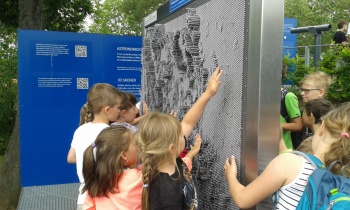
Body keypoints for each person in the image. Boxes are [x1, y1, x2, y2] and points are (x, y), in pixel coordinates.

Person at [224, 102, 350, 209]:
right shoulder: (340, 182)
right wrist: (280, 142)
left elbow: (242, 199)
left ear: (322, 128)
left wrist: (230, 176)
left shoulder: (291, 164)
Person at [137, 66, 223, 210]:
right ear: (171, 148)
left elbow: (188, 122)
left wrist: (207, 94)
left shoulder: (167, 160)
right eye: (180, 133)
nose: (184, 132)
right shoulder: (166, 194)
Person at [82, 126, 202, 210]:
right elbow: (170, 169)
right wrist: (190, 154)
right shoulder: (136, 178)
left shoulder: (95, 184)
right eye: (135, 144)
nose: (139, 146)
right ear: (124, 155)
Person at [67, 83, 124, 210]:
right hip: (106, 198)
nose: (120, 111)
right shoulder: (111, 134)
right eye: (118, 108)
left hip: (84, 198)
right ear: (107, 110)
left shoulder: (80, 130)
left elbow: (71, 157)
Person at [280, 61, 303, 149]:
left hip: (284, 149)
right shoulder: (259, 96)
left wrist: (274, 126)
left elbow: (298, 125)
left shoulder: (288, 97)